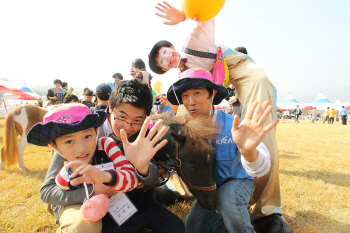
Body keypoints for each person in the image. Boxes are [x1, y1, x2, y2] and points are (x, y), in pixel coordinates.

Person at [150, 2, 290, 232]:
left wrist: (184, 15)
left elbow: (205, 13)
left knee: (259, 112)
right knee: (183, 131)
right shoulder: (184, 82)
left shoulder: (193, 44)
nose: (167, 57)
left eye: (165, 52)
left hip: (238, 70)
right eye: (162, 61)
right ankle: (186, 188)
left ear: (171, 46)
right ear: (165, 70)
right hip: (203, 87)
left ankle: (267, 209)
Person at [165, 69, 276, 232]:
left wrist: (248, 152)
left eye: (197, 93)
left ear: (212, 94)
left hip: (236, 182)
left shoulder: (235, 125)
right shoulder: (184, 131)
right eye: (185, 96)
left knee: (227, 200)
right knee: (192, 228)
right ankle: (229, 218)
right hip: (210, 189)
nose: (191, 102)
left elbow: (261, 167)